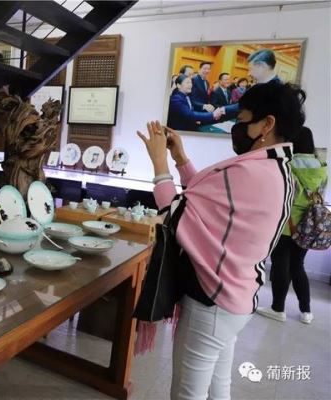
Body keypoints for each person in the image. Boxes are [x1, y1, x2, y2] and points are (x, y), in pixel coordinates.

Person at [137, 82, 306, 400]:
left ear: (267, 124)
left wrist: (159, 163)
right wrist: (180, 158)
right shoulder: (276, 168)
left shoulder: (252, 173)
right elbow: (209, 200)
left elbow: (175, 213)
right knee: (218, 387)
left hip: (211, 301)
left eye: (242, 120)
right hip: (236, 297)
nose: (237, 128)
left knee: (188, 394)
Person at [257, 127, 328, 324]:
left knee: (281, 265)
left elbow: (281, 195)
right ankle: (306, 311)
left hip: (285, 223)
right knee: (298, 266)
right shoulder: (322, 167)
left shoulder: (287, 164)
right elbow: (319, 197)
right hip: (309, 226)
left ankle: (278, 309)